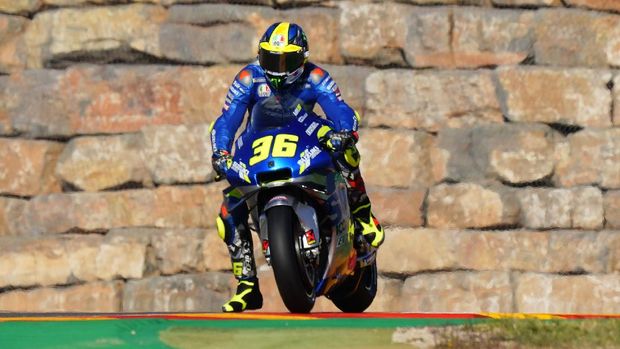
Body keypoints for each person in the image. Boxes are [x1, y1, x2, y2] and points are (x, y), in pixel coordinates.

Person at [210, 22, 384, 312]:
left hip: (307, 133)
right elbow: (228, 118)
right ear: (260, 55)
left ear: (301, 58)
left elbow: (338, 107)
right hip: (258, 145)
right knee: (228, 210)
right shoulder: (248, 78)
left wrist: (344, 132)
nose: (278, 68)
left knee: (346, 152)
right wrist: (221, 151)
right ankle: (247, 286)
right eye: (271, 59)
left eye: (286, 60)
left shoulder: (315, 76)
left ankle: (362, 213)